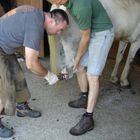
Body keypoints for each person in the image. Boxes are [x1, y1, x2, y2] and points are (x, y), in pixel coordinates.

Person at [0, 5, 69, 138]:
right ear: (52, 21)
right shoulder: (36, 25)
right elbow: (31, 64)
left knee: (17, 77)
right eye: (60, 29)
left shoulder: (35, 13)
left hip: (5, 47)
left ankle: (21, 108)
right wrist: (48, 75)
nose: (59, 33)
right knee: (5, 88)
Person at [48, 0, 115, 136]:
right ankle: (84, 97)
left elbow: (85, 36)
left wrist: (77, 57)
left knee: (93, 76)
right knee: (79, 68)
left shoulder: (80, 7)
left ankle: (88, 118)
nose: (52, 1)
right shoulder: (66, 4)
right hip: (92, 34)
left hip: (102, 34)